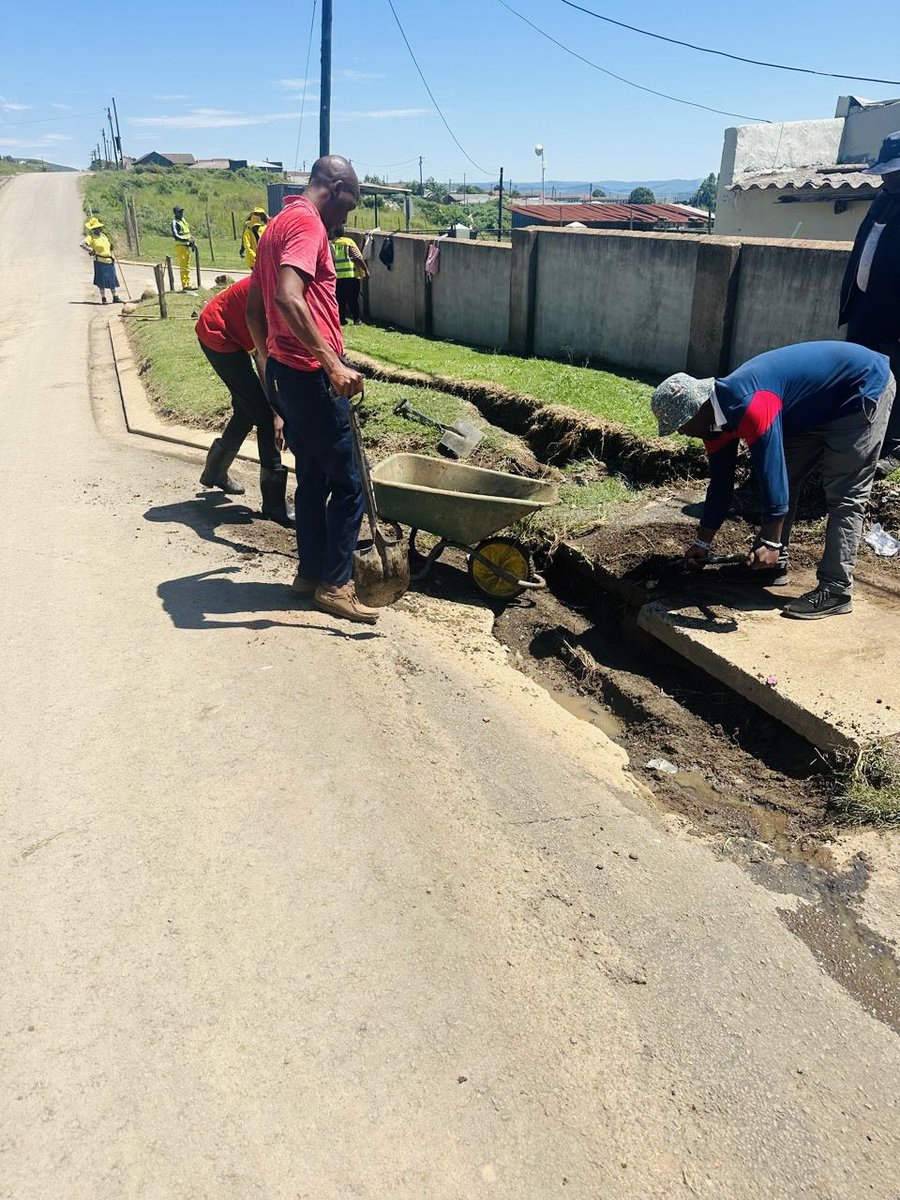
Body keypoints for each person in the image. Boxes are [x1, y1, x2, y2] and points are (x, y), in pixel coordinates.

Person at [651, 341, 895, 619]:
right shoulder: (713, 424)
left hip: (859, 388)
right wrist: (703, 543)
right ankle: (774, 567)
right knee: (786, 479)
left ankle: (836, 589)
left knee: (844, 495)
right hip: (814, 404)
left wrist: (771, 542)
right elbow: (720, 484)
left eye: (680, 424)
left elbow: (771, 469)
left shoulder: (751, 404)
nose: (681, 432)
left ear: (697, 408)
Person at [246, 155, 378, 625]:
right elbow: (286, 295)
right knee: (349, 486)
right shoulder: (307, 224)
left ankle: (308, 574)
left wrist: (270, 368)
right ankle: (336, 585)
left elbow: (255, 311)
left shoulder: (276, 225)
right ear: (337, 188)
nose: (345, 219)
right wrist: (331, 362)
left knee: (313, 477)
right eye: (349, 205)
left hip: (286, 373)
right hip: (309, 375)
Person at [195, 275, 293, 526]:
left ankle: (215, 471)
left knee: (245, 410)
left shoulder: (284, 285)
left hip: (234, 330)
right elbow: (263, 359)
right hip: (217, 334)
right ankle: (274, 504)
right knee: (264, 415)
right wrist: (276, 411)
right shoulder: (270, 295)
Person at [840, 130, 900, 476]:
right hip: (864, 304)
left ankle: (893, 447)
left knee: (896, 379)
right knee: (858, 372)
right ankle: (855, 435)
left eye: (892, 172)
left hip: (895, 316)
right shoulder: (884, 198)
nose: (885, 178)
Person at [329, 226, 368, 324]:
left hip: (337, 277)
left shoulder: (330, 244)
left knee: (340, 300)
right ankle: (356, 319)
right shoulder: (348, 242)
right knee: (353, 299)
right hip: (351, 276)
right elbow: (358, 257)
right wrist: (365, 270)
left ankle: (341, 319)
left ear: (334, 233)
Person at [80, 217, 121, 304]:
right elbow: (82, 244)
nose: (98, 229)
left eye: (99, 227)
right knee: (101, 281)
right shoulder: (91, 237)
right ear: (93, 229)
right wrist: (90, 250)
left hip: (109, 261)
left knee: (112, 280)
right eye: (96, 228)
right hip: (100, 261)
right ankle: (103, 298)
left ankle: (115, 297)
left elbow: (107, 245)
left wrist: (111, 247)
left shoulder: (103, 236)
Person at [171, 205, 196, 291]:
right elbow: (176, 235)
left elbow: (187, 233)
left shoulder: (183, 220)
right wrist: (186, 239)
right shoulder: (175, 222)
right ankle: (185, 285)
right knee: (183, 266)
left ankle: (188, 283)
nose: (181, 213)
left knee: (187, 265)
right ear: (175, 213)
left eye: (182, 211)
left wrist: (191, 242)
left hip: (187, 246)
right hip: (180, 247)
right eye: (179, 212)